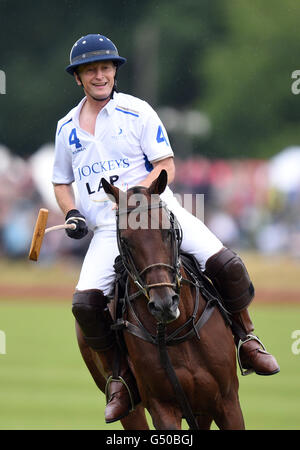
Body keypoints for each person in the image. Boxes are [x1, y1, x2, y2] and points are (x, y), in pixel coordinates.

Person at [52, 34, 279, 424]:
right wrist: (71, 211)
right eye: (91, 70)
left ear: (114, 72)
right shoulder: (66, 128)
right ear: (79, 78)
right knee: (85, 305)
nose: (100, 75)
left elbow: (167, 165)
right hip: (110, 228)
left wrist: (142, 193)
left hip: (157, 213)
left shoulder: (137, 112)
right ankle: (120, 380)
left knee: (227, 264)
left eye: (106, 68)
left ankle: (247, 339)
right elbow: (61, 181)